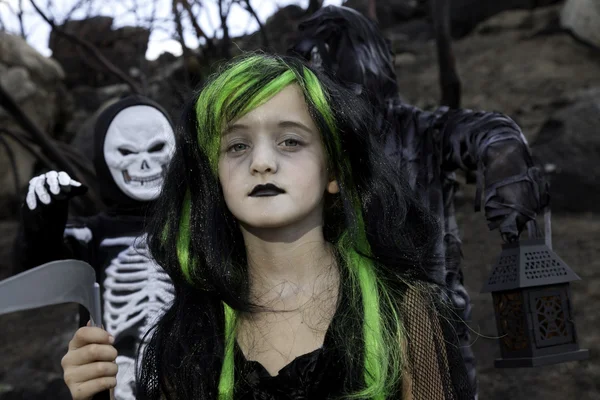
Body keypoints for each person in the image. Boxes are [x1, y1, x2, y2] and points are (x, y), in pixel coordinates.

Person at [60, 53, 475, 400]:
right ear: (214, 178)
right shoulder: (188, 335)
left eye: (290, 141)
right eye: (237, 145)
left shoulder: (403, 314)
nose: (261, 162)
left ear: (333, 170)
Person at [289, 6, 550, 396]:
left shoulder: (421, 132)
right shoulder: (306, 152)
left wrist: (505, 163)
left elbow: (490, 132)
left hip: (429, 335)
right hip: (332, 338)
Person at [15, 95, 176, 400]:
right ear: (104, 158)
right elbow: (36, 268)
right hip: (108, 384)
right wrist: (40, 224)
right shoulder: (90, 234)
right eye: (127, 152)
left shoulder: (199, 228)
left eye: (156, 149)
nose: (144, 163)